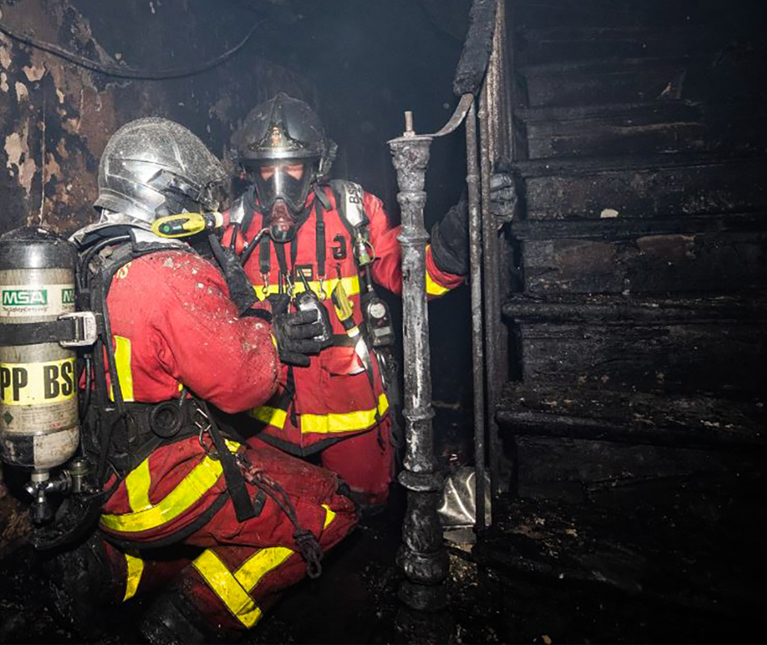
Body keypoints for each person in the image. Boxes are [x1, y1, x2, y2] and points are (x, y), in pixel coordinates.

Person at [55, 117, 358, 642]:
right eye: (195, 196)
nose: (205, 210)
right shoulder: (169, 271)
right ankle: (189, 618)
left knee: (246, 494)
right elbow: (244, 385)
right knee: (329, 507)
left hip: (96, 488)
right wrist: (274, 338)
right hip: (164, 488)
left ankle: (108, 571)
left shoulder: (85, 259)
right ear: (165, 192)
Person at [221, 93, 516, 509]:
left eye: (293, 167)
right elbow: (216, 327)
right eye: (266, 169)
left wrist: (465, 231)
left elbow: (416, 276)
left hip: (353, 414)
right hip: (269, 424)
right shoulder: (230, 233)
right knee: (283, 520)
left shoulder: (352, 214)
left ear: (318, 167)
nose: (278, 185)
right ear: (249, 173)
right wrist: (265, 335)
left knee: (365, 513)